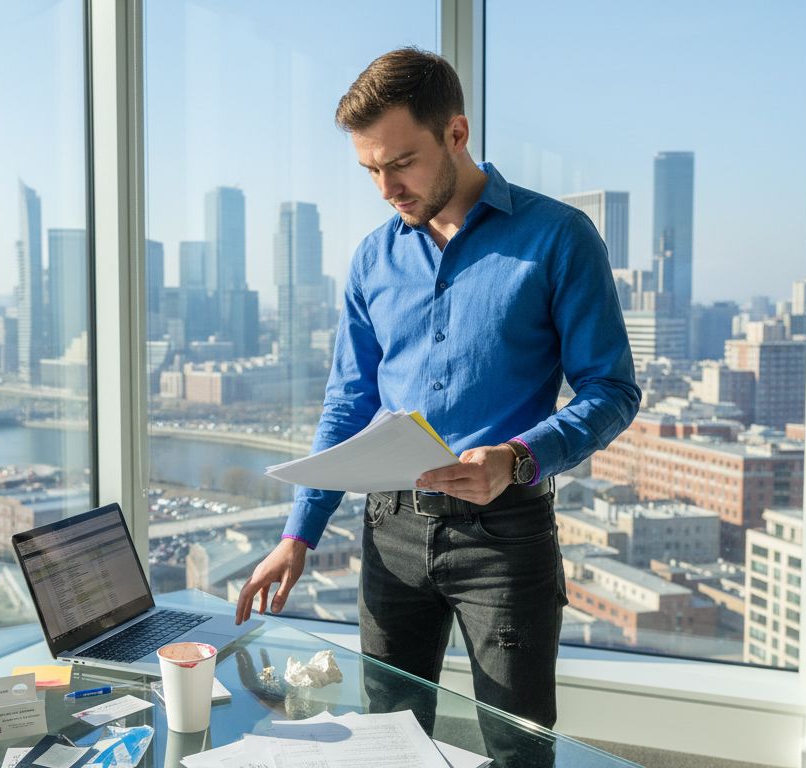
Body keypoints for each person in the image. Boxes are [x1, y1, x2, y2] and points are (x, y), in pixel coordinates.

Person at [233, 47, 641, 732]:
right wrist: (299, 533)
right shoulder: (373, 258)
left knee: (517, 745)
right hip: (388, 531)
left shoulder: (559, 239)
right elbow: (349, 404)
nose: (387, 187)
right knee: (389, 737)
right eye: (371, 170)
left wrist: (515, 457)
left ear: (457, 134)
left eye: (401, 163)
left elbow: (612, 391)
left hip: (505, 534)